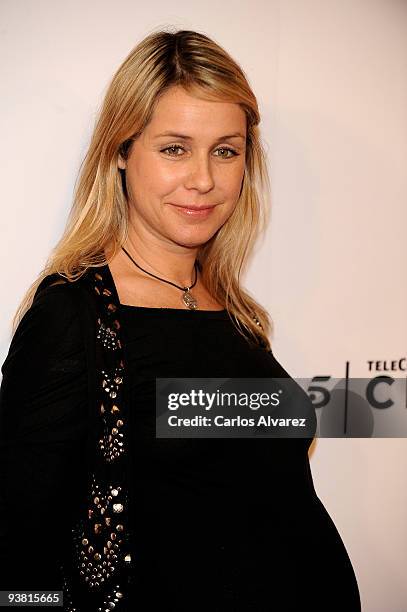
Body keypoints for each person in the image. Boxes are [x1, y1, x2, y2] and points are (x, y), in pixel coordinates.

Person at [0, 29, 361, 611]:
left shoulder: (237, 314)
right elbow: (19, 557)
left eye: (226, 150)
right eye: (174, 148)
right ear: (121, 152)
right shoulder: (76, 314)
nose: (204, 179)